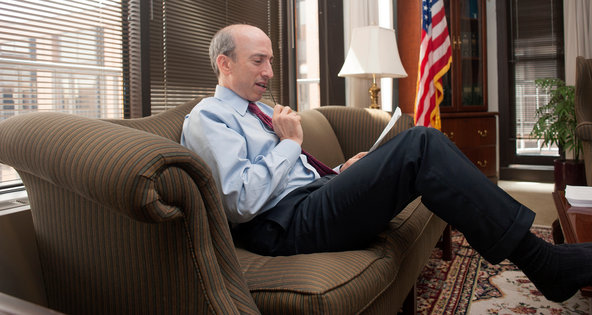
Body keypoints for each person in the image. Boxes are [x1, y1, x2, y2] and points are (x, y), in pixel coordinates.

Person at [181, 24, 592, 303]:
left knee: (416, 150)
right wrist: (290, 143)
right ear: (224, 63)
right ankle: (542, 262)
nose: (270, 71)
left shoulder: (262, 110)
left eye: (271, 60)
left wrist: (342, 172)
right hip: (284, 225)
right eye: (258, 61)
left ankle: (539, 258)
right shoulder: (208, 117)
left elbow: (291, 173)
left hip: (312, 198)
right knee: (421, 144)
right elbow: (241, 202)